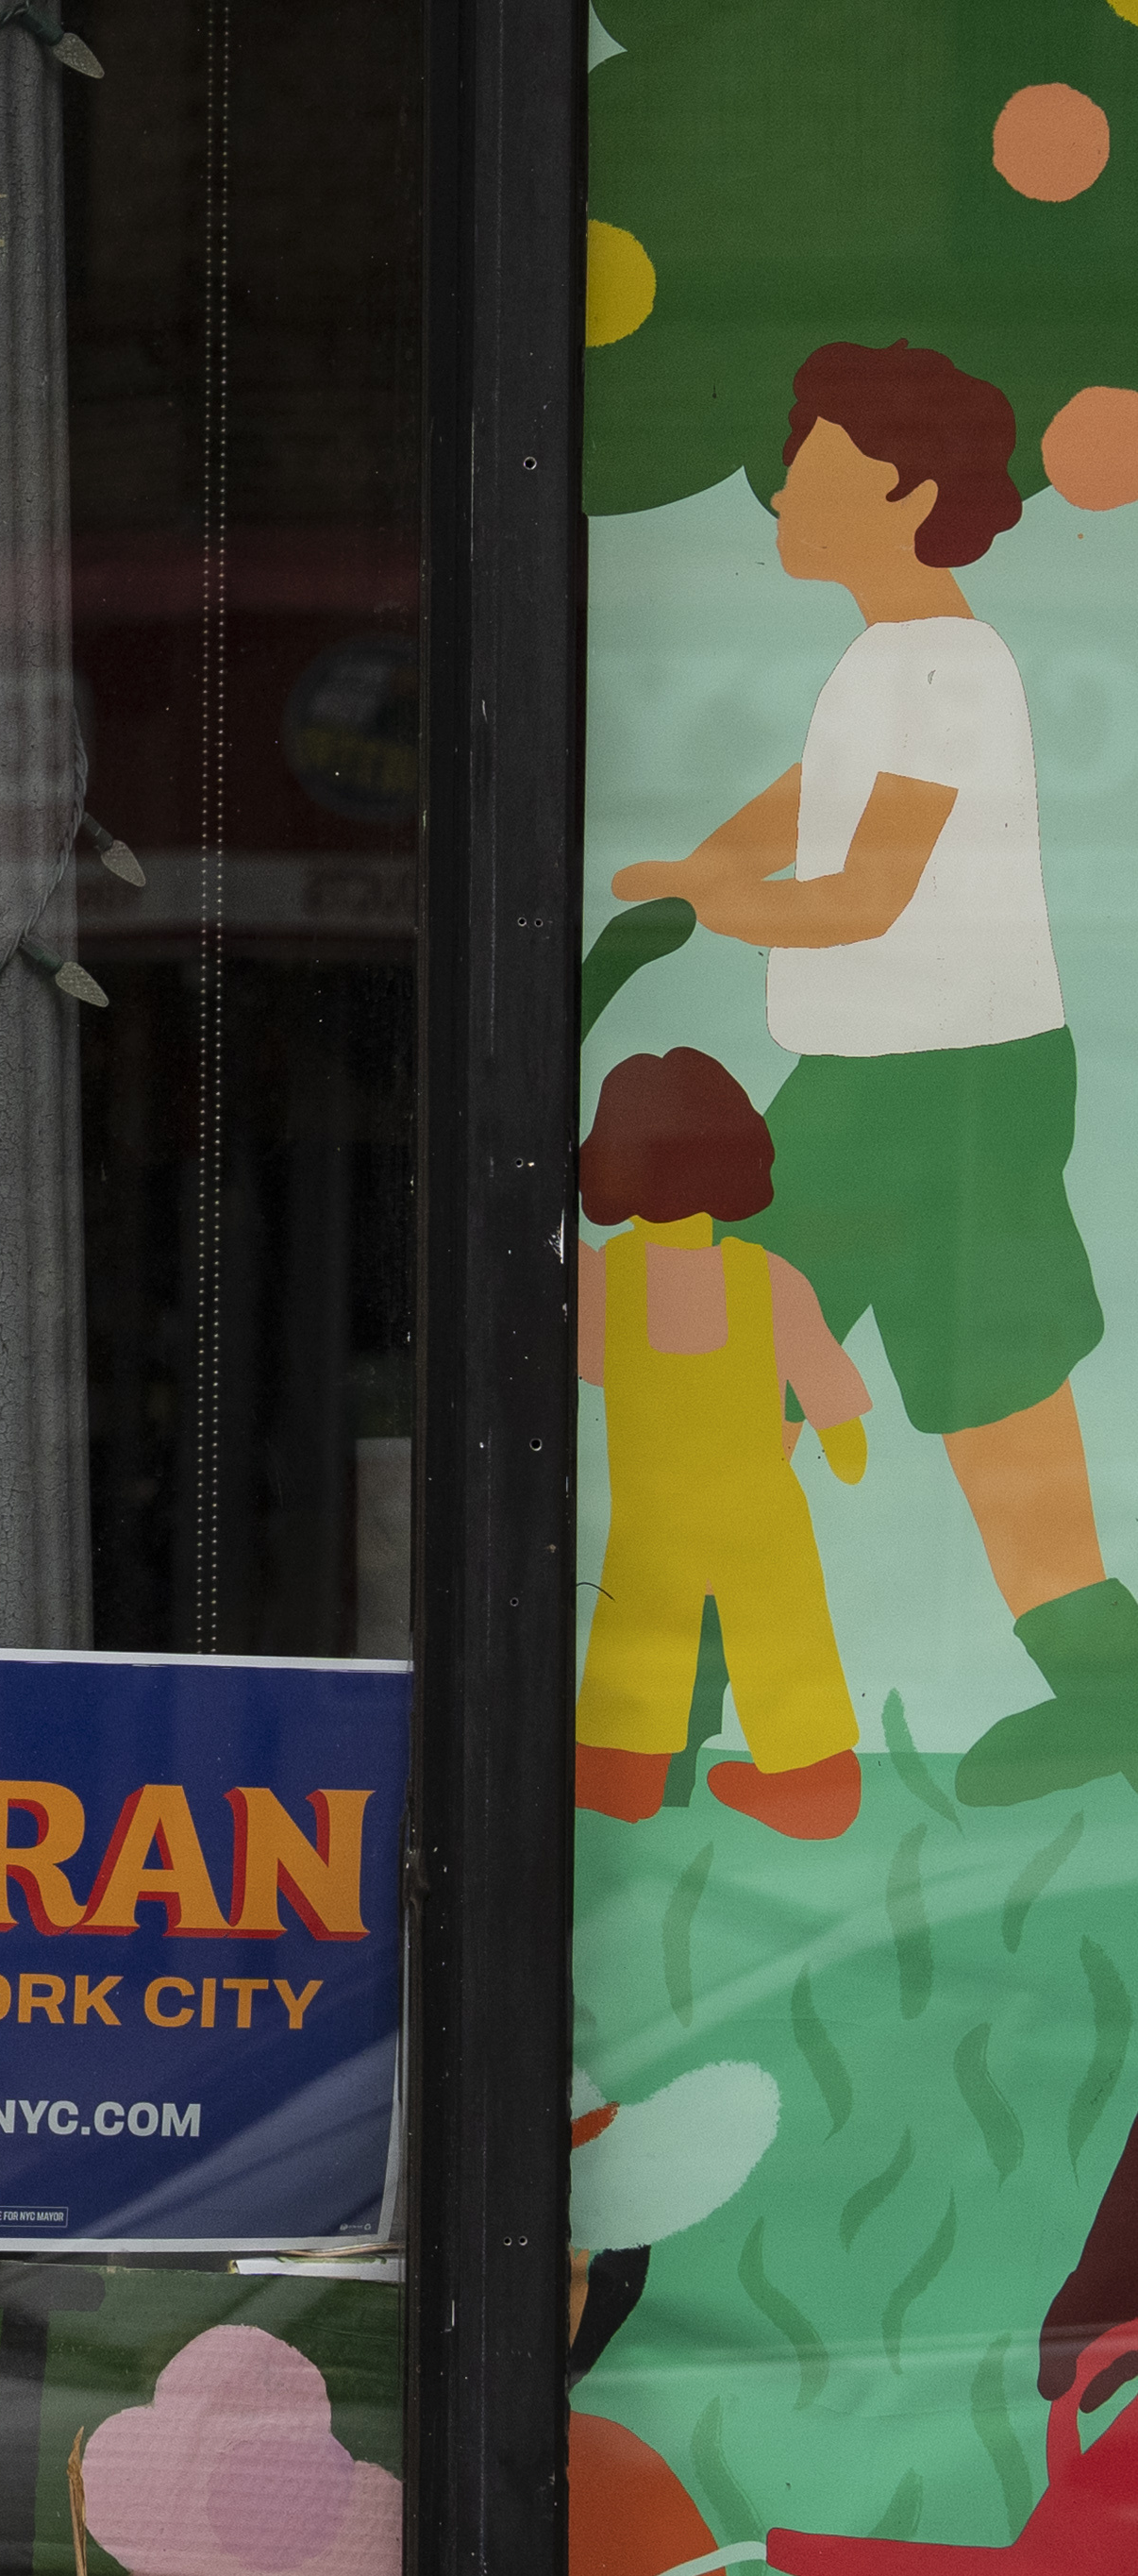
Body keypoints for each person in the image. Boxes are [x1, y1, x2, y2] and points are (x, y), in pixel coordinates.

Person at [608, 339, 1130, 1809]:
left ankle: (1105, 1692)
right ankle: (709, 1717)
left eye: (815, 469)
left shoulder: (950, 664)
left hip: (958, 1087)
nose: (781, 490)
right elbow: (813, 795)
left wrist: (723, 904)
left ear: (901, 492)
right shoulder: (886, 655)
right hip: (862, 1086)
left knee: (995, 1406)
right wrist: (703, 859)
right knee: (735, 1378)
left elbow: (865, 891)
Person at [572, 1048, 873, 1839]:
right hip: (755, 1509)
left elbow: (587, 1357)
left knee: (636, 1646)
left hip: (655, 1516)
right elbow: (816, 1370)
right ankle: (813, 1786)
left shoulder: (607, 1280)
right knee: (782, 1637)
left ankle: (620, 1781)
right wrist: (836, 1435)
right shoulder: (765, 1278)